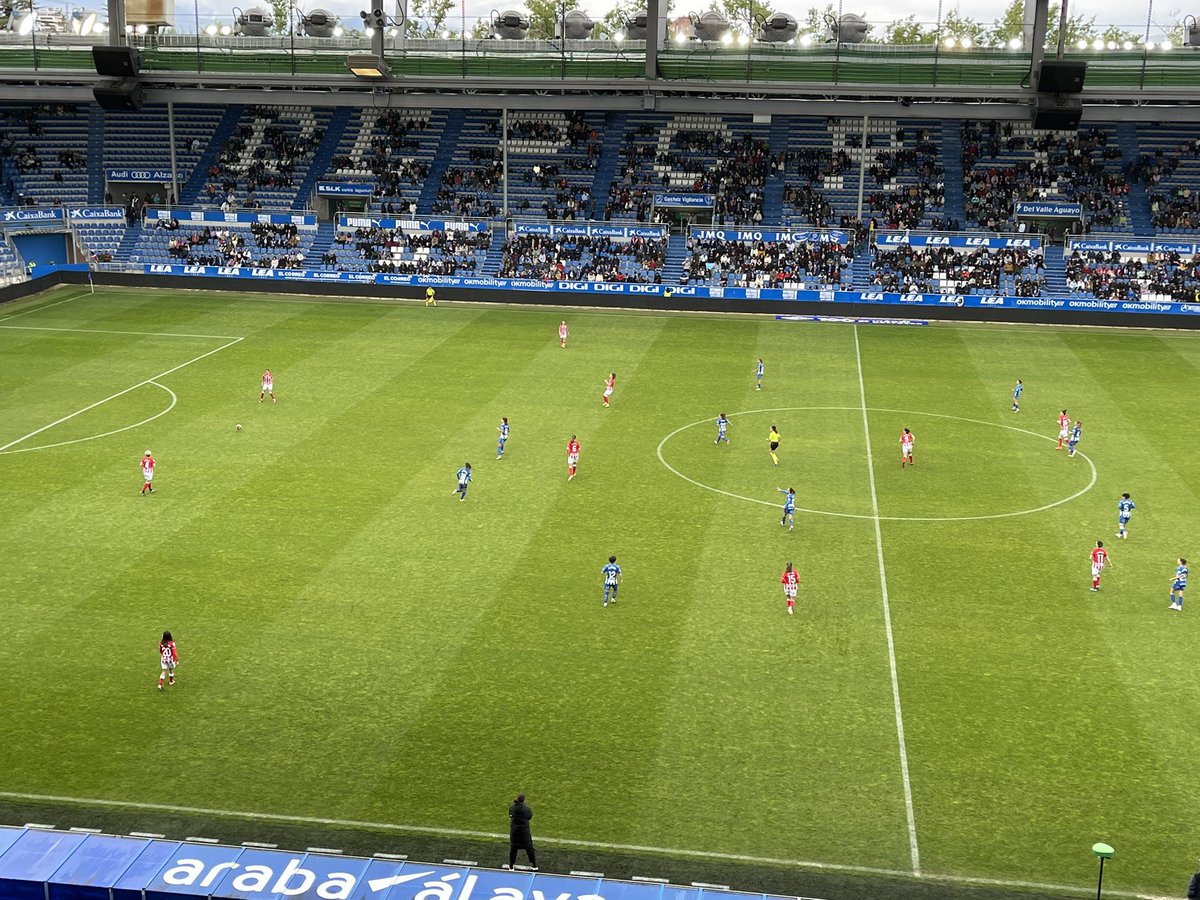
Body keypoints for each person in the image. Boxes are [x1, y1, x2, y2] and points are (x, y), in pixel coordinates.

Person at [505, 793, 536, 870]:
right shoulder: (526, 809)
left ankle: (511, 866)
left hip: (514, 833)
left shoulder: (512, 808)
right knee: (529, 850)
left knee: (513, 850)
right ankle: (534, 866)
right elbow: (529, 816)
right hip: (524, 834)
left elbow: (510, 815)